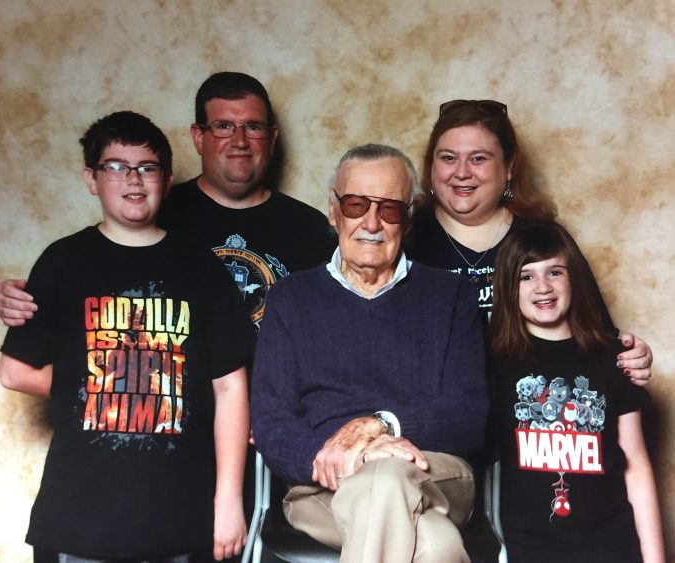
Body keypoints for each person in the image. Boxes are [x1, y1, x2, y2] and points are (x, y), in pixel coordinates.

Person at [0, 111, 255, 562]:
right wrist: (108, 382)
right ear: (92, 179)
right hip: (78, 518)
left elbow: (231, 386)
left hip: (181, 516)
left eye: (147, 167)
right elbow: (15, 370)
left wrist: (228, 500)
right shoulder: (63, 262)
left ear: (167, 178)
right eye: (116, 167)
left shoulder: (202, 270)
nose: (133, 179)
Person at [252, 144, 490, 562]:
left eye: (390, 209)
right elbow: (271, 421)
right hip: (323, 487)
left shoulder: (450, 296)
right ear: (334, 211)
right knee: (434, 544)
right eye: (356, 204)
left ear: (409, 218)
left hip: (434, 473)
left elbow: (469, 415)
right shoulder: (291, 299)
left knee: (389, 478)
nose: (372, 223)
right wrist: (356, 455)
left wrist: (381, 424)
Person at [0, 72, 333, 332]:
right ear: (198, 137)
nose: (240, 141)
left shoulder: (311, 229)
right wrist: (26, 301)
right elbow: (93, 290)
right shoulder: (154, 213)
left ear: (272, 139)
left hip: (275, 416)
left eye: (253, 127)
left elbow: (337, 323)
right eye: (224, 127)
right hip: (179, 414)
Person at [406, 99, 653, 384]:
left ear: (509, 167)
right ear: (431, 166)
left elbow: (597, 336)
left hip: (532, 413)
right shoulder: (406, 238)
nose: (462, 172)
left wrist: (631, 357)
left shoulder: (544, 238)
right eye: (448, 157)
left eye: (479, 158)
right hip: (439, 415)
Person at [489, 222, 664, 563]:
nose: (543, 287)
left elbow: (637, 465)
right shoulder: (494, 362)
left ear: (574, 279)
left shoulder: (614, 356)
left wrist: (655, 559)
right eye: (526, 276)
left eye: (555, 272)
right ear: (509, 287)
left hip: (611, 548)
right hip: (529, 551)